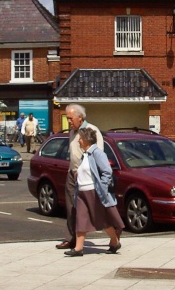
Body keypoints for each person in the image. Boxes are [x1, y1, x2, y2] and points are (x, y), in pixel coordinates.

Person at [64, 124, 123, 256]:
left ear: (85, 140)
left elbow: (107, 172)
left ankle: (114, 241)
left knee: (102, 220)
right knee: (81, 218)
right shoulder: (84, 155)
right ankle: (78, 248)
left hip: (93, 192)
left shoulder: (97, 153)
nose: (78, 141)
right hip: (81, 193)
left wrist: (102, 187)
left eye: (80, 139)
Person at [55, 104, 104, 250]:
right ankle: (71, 239)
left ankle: (114, 232)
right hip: (72, 173)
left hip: (86, 176)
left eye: (70, 118)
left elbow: (98, 154)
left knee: (92, 209)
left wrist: (84, 172)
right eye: (67, 118)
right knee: (71, 208)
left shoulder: (92, 131)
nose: (68, 121)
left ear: (80, 117)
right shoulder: (72, 132)